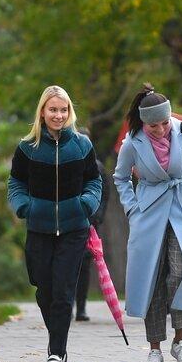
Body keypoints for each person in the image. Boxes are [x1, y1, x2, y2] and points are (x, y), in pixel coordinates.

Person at [7, 86, 102, 362]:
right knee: (43, 289)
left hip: (74, 228)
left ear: (69, 112)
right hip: (39, 227)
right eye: (53, 110)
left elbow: (94, 181)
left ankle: (57, 351)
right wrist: (25, 206)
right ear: (42, 113)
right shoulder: (27, 148)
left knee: (63, 291)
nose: (58, 115)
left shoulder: (82, 145)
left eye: (63, 110)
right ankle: (56, 338)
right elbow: (16, 183)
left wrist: (86, 204)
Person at [114, 84, 182, 362]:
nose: (161, 129)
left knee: (180, 273)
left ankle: (180, 342)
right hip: (149, 214)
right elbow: (120, 178)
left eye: (165, 122)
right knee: (152, 279)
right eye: (153, 125)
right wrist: (133, 209)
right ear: (143, 122)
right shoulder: (132, 142)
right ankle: (154, 350)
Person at [74, 132, 111, 322]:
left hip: (90, 224)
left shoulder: (98, 167)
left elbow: (105, 193)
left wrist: (98, 216)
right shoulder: (68, 164)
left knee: (84, 266)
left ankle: (81, 307)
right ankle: (69, 304)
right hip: (69, 221)